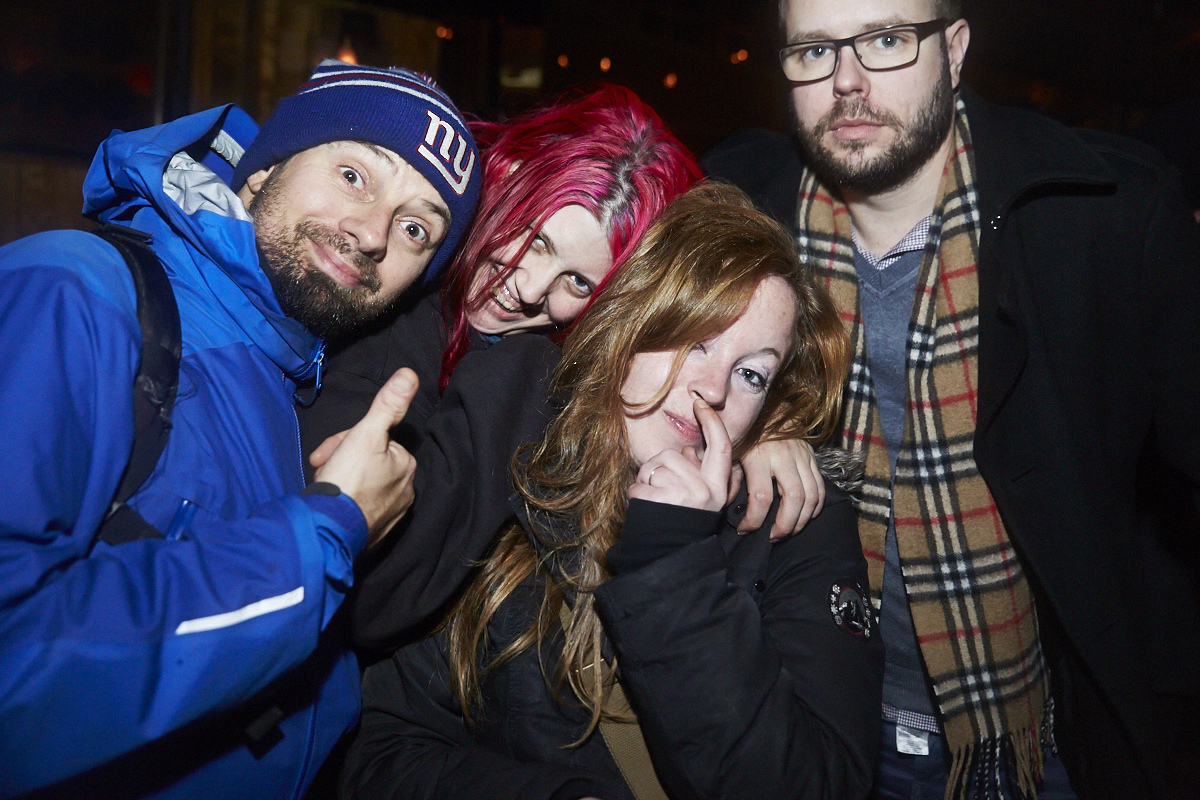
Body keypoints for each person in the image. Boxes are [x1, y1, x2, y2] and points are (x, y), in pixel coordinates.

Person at [705, 1, 1200, 798]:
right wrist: (749, 418)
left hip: (1047, 750)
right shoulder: (735, 221)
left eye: (889, 40)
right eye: (813, 52)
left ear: (956, 48)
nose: (848, 82)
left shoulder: (1101, 220)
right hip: (814, 729)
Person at [0, 59, 480, 799]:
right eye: (355, 174)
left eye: (417, 228)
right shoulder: (75, 293)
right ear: (260, 173)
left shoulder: (286, 386)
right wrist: (327, 529)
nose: (372, 232)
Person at [341, 182, 885, 800]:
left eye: (751, 373)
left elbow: (820, 784)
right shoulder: (515, 460)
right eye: (695, 339)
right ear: (630, 320)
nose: (712, 388)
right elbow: (386, 751)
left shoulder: (793, 520)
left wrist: (674, 563)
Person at [299, 86, 833, 660]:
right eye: (533, 237)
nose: (526, 289)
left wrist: (764, 429)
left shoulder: (563, 372)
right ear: (508, 180)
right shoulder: (393, 316)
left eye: (577, 282)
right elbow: (364, 596)